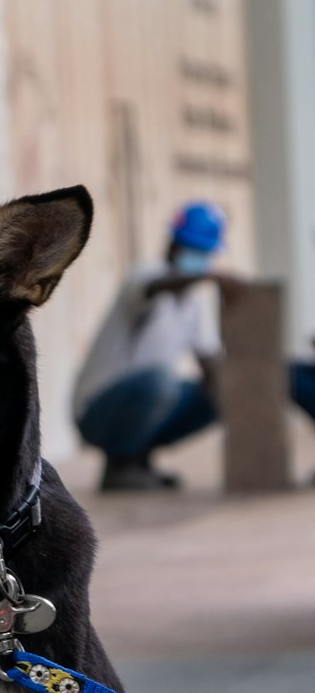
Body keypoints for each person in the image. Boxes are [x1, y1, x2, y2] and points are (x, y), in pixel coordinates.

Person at [74, 202, 233, 491]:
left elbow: (210, 360)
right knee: (160, 380)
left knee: (217, 390)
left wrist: (238, 402)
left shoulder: (194, 302)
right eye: (192, 249)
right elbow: (155, 287)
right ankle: (120, 466)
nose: (199, 259)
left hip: (143, 401)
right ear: (173, 245)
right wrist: (208, 277)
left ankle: (138, 460)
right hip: (97, 412)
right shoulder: (148, 275)